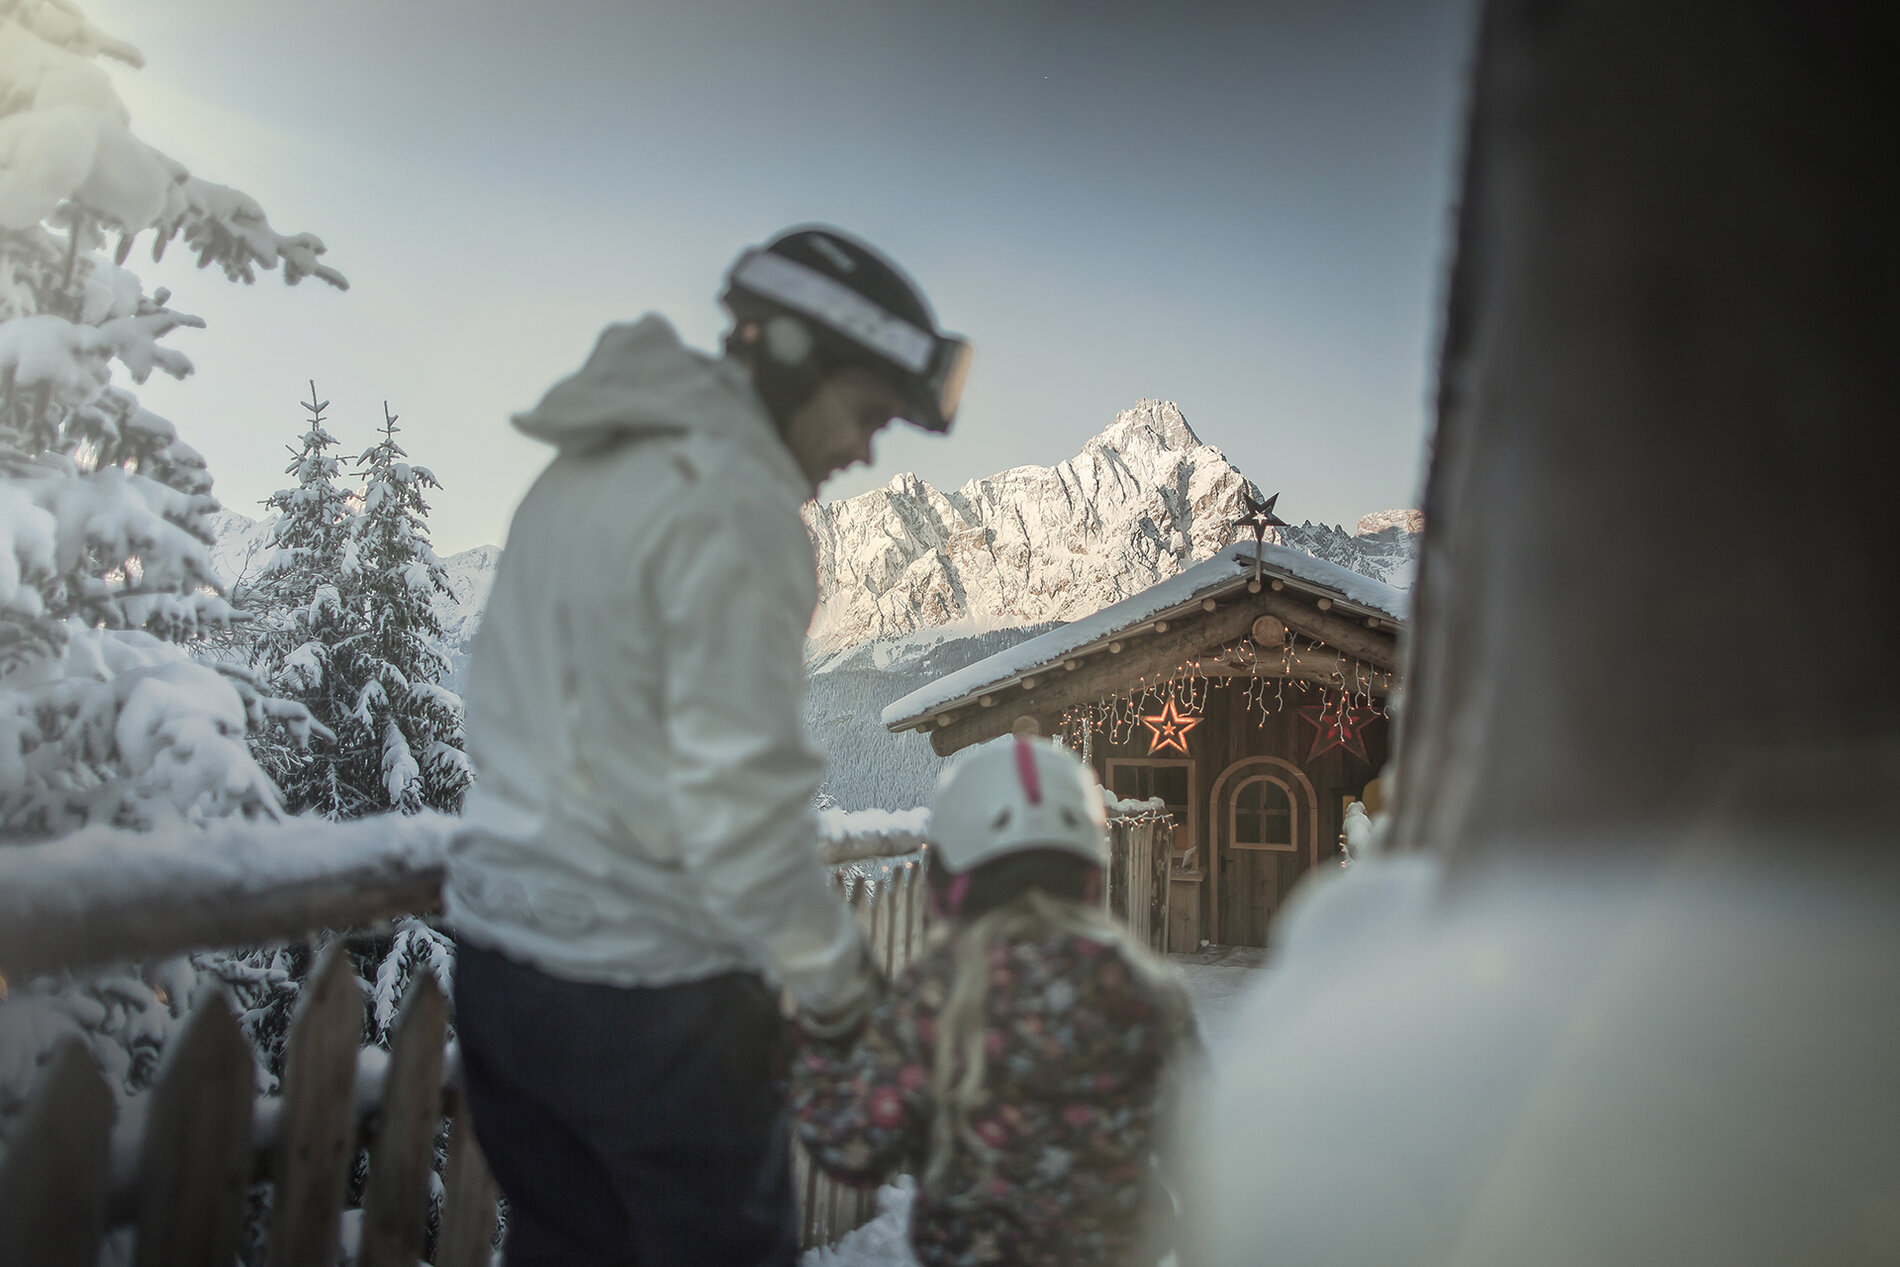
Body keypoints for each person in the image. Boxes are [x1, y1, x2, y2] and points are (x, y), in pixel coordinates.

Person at [443, 226, 971, 1265]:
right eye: (867, 413)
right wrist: (843, 995)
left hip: (502, 970)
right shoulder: (740, 511)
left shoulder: (588, 462)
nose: (867, 451)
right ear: (786, 361)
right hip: (650, 998)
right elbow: (743, 814)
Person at [790, 736, 1202, 1267]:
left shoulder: (940, 992)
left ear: (950, 880)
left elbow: (852, 1146)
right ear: (1090, 873)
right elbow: (1202, 1152)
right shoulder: (1147, 990)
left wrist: (817, 1042)